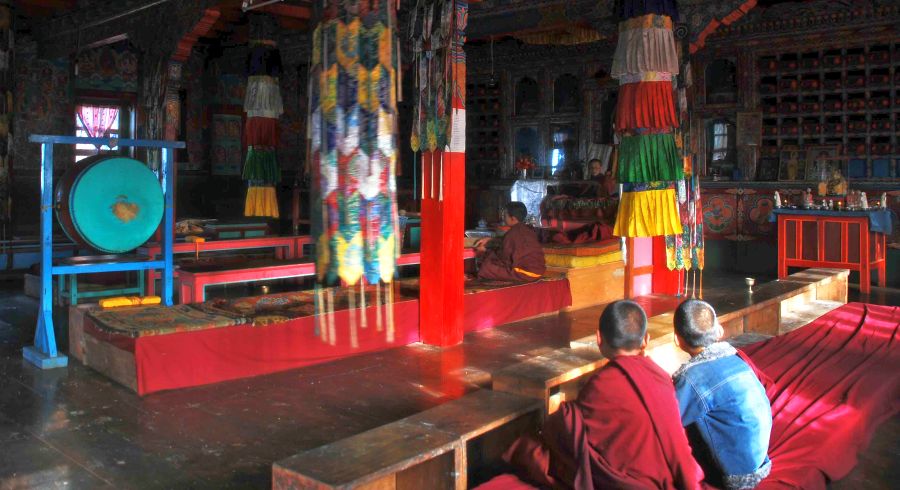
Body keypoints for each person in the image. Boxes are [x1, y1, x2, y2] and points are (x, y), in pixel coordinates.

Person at [503, 300, 706, 489]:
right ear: (646, 340)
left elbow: (572, 433)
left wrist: (564, 415)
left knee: (531, 450)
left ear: (599, 338)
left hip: (622, 483)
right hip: (662, 481)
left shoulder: (601, 384)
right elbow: (678, 446)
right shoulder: (661, 378)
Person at [672, 299, 773, 490]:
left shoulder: (692, 378)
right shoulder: (736, 358)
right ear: (719, 331)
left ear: (677, 339)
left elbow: (667, 421)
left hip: (737, 476)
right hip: (761, 458)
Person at [474, 201, 546, 282]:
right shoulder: (528, 229)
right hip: (540, 270)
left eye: (505, 215)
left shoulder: (513, 232)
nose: (503, 218)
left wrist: (485, 252)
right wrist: (490, 240)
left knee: (487, 267)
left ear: (513, 218)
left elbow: (504, 257)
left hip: (526, 272)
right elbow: (509, 242)